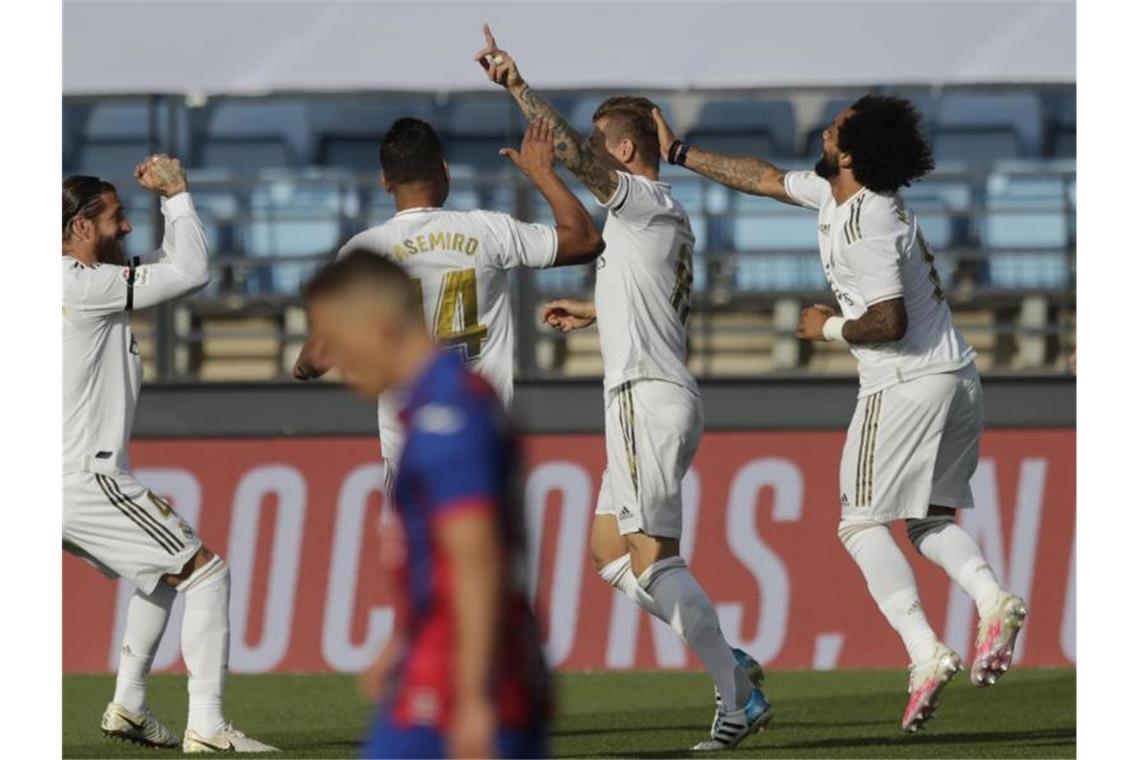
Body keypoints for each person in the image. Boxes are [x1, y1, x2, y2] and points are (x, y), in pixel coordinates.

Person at [652, 96, 1029, 731]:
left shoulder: (866, 220)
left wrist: (827, 329)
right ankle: (993, 599)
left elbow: (890, 319)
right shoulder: (840, 195)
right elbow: (766, 179)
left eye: (836, 128)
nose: (824, 130)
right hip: (957, 375)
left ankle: (925, 651)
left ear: (849, 153)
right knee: (929, 522)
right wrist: (681, 153)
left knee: (858, 524)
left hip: (905, 381)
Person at [475, 25, 771, 751]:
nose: (593, 153)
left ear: (628, 151)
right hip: (646, 391)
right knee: (611, 552)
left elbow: (574, 157)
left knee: (655, 557)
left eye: (604, 141)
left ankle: (734, 699)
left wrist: (518, 86)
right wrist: (591, 309)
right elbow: (648, 301)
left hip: (646, 395)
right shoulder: (646, 220)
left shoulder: (640, 197)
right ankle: (729, 664)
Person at [62, 157, 278, 752]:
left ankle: (130, 704)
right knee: (207, 574)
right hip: (83, 476)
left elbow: (163, 269)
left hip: (67, 476)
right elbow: (191, 269)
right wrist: (177, 195)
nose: (127, 228)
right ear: (81, 227)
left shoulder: (75, 285)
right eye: (116, 217)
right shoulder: (83, 285)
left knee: (159, 575)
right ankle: (208, 726)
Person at [302, 251, 549, 759]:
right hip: (443, 663)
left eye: (337, 340)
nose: (335, 362)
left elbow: (477, 558)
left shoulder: (445, 415)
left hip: (457, 682)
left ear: (380, 325)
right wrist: (401, 641)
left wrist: (475, 697)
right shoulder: (451, 399)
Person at [294, 115, 603, 493]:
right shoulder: (488, 230)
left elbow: (320, 353)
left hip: (410, 452)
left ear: (385, 181)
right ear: (445, 170)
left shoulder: (364, 252)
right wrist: (541, 172)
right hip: (482, 439)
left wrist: (305, 364)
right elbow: (586, 240)